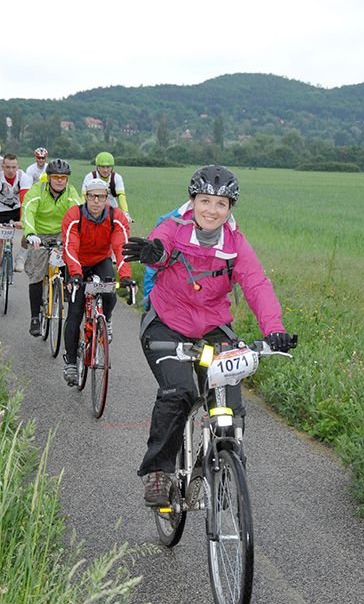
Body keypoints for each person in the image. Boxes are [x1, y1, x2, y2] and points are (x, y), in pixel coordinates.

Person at [122, 165, 297, 507]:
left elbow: (257, 285)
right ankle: (158, 471)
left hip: (213, 329)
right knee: (179, 392)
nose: (212, 210)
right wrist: (155, 255)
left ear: (230, 208)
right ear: (192, 201)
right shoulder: (174, 226)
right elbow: (161, 245)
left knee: (230, 402)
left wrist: (273, 329)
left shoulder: (235, 244)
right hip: (166, 324)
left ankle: (226, 459)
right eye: (205, 201)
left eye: (221, 203)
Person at [61, 177, 134, 385]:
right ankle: (71, 364)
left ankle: (106, 320)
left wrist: (127, 276)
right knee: (75, 312)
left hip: (101, 259)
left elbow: (122, 249)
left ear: (106, 199)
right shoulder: (74, 215)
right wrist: (75, 274)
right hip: (77, 262)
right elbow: (69, 246)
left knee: (110, 290)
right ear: (86, 197)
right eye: (92, 197)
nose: (96, 201)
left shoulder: (116, 216)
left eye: (101, 197)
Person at [22, 158, 81, 336]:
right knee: (37, 274)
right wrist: (30, 233)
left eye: (63, 177)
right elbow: (28, 210)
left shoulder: (70, 192)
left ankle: (65, 288)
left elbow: (78, 213)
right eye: (56, 177)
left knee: (71, 259)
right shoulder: (37, 190)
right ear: (48, 178)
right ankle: (34, 317)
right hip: (38, 234)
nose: (60, 180)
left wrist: (77, 235)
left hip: (60, 234)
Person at [0, 154, 32, 295]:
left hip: (18, 208)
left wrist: (23, 221)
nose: (11, 170)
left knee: (30, 230)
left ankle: (21, 256)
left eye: (14, 167)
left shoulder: (23, 177)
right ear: (2, 167)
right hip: (0, 211)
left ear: (18, 167)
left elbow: (25, 200)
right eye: (8, 167)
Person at [81, 152, 132, 222]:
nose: (105, 170)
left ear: (112, 167)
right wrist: (81, 212)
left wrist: (125, 213)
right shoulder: (90, 177)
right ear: (97, 167)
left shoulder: (117, 177)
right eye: (102, 167)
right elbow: (84, 196)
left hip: (112, 208)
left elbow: (121, 196)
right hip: (94, 208)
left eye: (108, 167)